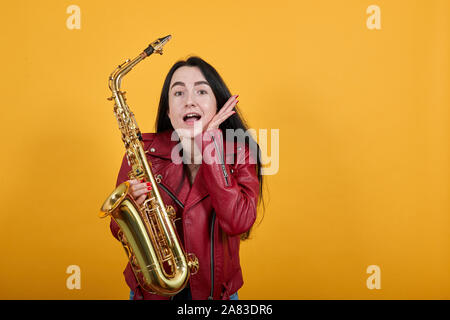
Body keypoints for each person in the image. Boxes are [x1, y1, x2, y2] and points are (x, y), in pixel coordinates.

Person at [109, 56, 264, 300]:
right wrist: (132, 212)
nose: (189, 101)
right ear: (169, 111)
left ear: (218, 104)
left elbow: (238, 222)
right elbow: (119, 228)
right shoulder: (141, 153)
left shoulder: (240, 153)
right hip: (153, 292)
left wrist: (211, 145)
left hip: (216, 296)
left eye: (201, 91)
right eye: (178, 93)